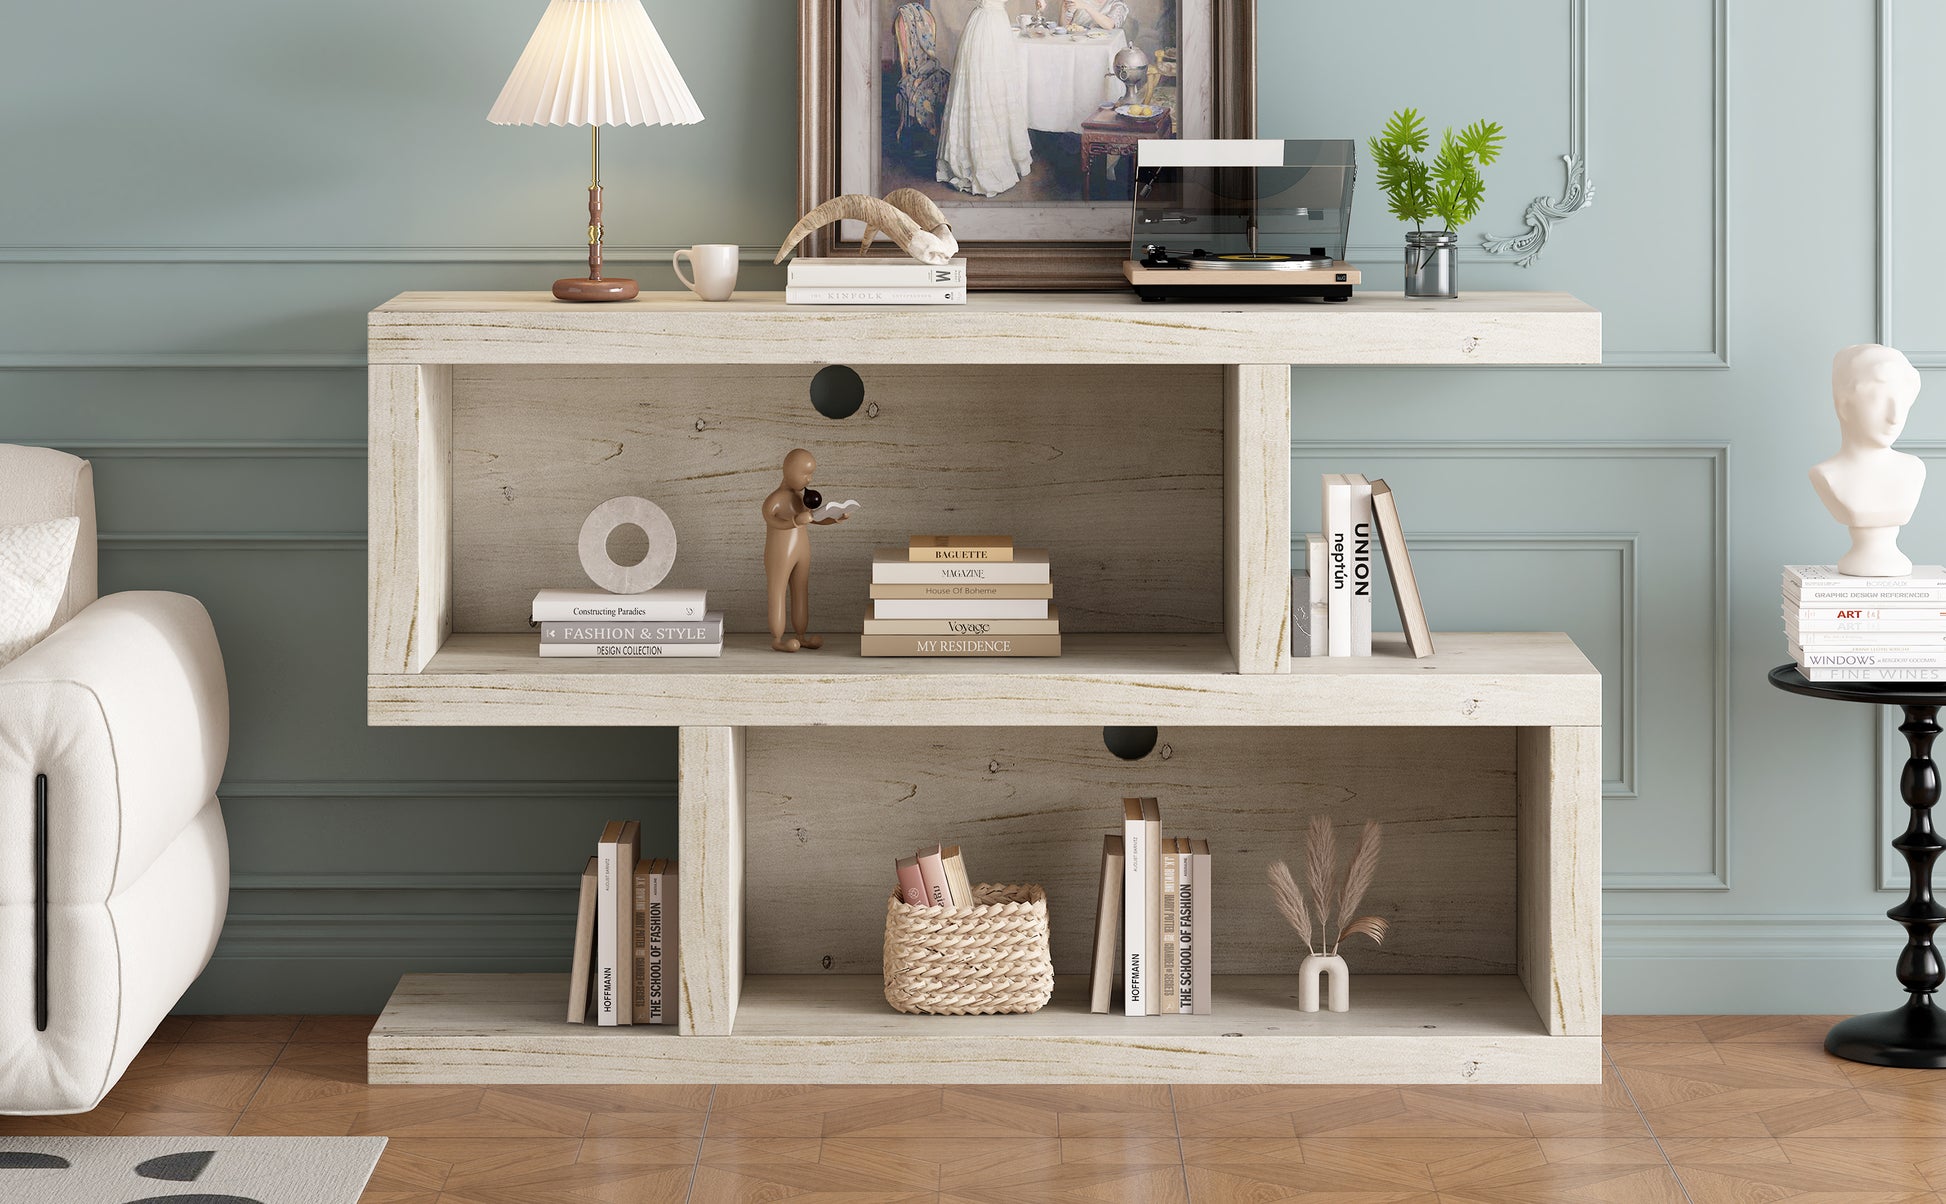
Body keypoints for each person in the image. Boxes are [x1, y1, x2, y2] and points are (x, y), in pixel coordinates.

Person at [1810, 344, 1926, 577]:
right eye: (1880, 400)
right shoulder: (1827, 476)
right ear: (1844, 406)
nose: (1894, 417)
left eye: (1902, 403)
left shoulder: (1913, 470)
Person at [936, 0, 1034, 196]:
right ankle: (978, 162)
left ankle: (1000, 156)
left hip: (997, 26)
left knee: (998, 88)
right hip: (985, 29)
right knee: (982, 88)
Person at [762, 448, 848, 652]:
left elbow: (813, 519)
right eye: (805, 474)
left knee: (801, 591)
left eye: (811, 474)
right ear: (789, 470)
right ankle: (777, 637)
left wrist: (834, 519)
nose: (809, 479)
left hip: (801, 550)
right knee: (778, 591)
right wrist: (794, 520)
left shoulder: (801, 498)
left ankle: (801, 634)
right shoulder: (776, 498)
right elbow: (770, 518)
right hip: (779, 552)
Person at [1061, 0, 1132, 29]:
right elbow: (1064, 26)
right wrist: (1063, 8)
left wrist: (1086, 7)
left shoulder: (1117, 5)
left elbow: (1109, 25)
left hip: (1102, 46)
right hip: (1075, 43)